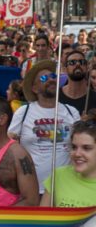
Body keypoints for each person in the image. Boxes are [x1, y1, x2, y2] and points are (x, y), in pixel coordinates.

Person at [9, 60, 78, 194]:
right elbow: (10, 145)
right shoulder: (23, 112)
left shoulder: (71, 111)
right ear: (34, 88)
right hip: (33, 189)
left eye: (53, 76)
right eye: (44, 78)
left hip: (67, 187)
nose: (51, 80)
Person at [40, 117, 96, 207]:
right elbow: (42, 218)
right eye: (74, 147)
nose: (77, 154)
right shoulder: (59, 175)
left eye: (86, 148)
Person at [59, 50, 96, 115]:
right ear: (65, 69)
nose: (78, 64)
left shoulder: (94, 97)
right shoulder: (56, 97)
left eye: (82, 62)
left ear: (87, 67)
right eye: (72, 62)